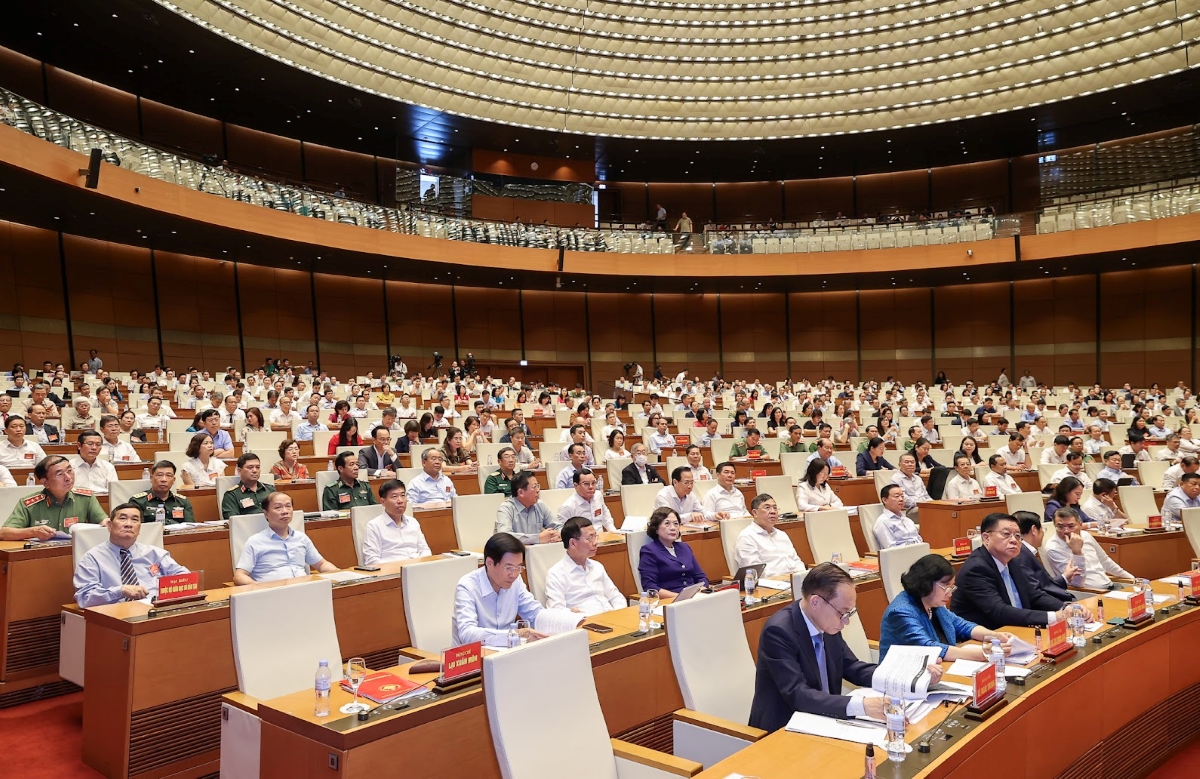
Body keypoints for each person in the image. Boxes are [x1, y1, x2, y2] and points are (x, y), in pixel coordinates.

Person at [751, 564, 929, 731]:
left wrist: (911, 678)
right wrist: (863, 706)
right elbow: (798, 694)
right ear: (815, 602)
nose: (847, 621)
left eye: (849, 613)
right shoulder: (779, 632)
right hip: (783, 729)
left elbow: (852, 667)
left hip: (825, 720)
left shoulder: (826, 621)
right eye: (843, 613)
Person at [949, 512, 1087, 629]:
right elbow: (1000, 611)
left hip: (1018, 630)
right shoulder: (976, 569)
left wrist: (1066, 608)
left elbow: (1034, 595)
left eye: (1017, 536)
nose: (1014, 540)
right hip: (986, 638)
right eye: (1006, 534)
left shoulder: (1013, 561)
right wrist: (1055, 617)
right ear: (986, 538)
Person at [878, 554, 1015, 661]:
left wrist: (994, 636)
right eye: (946, 586)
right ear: (926, 582)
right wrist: (983, 653)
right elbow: (930, 648)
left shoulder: (933, 603)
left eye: (952, 587)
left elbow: (961, 625)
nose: (950, 593)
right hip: (901, 680)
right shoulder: (900, 612)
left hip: (936, 670)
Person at [73, 503, 190, 607]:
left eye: (135, 520)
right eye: (123, 518)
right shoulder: (92, 558)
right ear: (109, 525)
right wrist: (120, 591)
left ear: (139, 528)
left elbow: (185, 578)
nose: (129, 524)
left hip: (156, 611)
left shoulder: (155, 554)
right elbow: (85, 597)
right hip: (116, 616)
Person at [452, 532, 549, 647]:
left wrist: (564, 621)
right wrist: (513, 635)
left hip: (508, 653)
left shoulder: (516, 581)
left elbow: (534, 612)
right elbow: (467, 633)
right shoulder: (467, 586)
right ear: (489, 563)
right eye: (508, 568)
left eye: (518, 567)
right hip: (474, 655)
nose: (514, 574)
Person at [233, 492, 339, 583]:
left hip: (304, 589)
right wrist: (259, 588)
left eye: (288, 506)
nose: (285, 511)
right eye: (278, 507)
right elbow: (239, 576)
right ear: (266, 514)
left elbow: (321, 564)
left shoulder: (301, 538)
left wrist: (340, 575)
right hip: (273, 593)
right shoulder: (255, 541)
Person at [1, 454, 108, 540]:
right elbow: (4, 533)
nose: (68, 478)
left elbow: (103, 521)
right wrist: (33, 532)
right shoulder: (29, 504)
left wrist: (107, 523)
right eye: (59, 474)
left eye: (69, 471)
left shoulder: (85, 497)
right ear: (45, 482)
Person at [544, 516, 627, 615]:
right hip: (585, 621)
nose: (595, 542)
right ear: (573, 543)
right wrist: (575, 615)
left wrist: (616, 613)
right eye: (590, 538)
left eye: (595, 536)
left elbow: (616, 597)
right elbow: (556, 610)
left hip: (611, 617)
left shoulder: (597, 566)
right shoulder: (556, 574)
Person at [1043, 506, 1132, 590]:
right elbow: (1077, 583)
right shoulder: (1053, 548)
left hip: (1110, 586)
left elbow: (1106, 562)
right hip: (1091, 593)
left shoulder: (1086, 535)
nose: (1066, 531)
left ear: (1080, 525)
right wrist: (1077, 553)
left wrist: (1132, 579)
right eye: (1060, 527)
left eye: (1071, 526)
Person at [638, 507, 707, 597]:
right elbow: (649, 587)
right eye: (667, 523)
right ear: (656, 528)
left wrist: (701, 591)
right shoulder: (649, 551)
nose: (673, 528)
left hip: (695, 597)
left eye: (676, 524)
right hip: (670, 600)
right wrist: (679, 597)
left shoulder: (684, 547)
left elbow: (701, 577)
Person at [361, 479, 431, 564]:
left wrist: (420, 564)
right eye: (394, 496)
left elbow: (425, 550)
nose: (400, 501)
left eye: (403, 495)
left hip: (416, 567)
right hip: (392, 570)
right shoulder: (374, 526)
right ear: (383, 501)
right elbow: (372, 561)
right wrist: (400, 567)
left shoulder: (413, 522)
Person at [734, 494, 805, 577]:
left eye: (775, 508)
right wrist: (783, 578)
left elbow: (796, 560)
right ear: (755, 513)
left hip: (794, 579)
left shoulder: (782, 534)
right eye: (767, 508)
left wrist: (801, 575)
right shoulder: (747, 537)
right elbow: (755, 572)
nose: (773, 511)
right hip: (771, 582)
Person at [1012, 510, 1076, 603]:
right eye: (1042, 529)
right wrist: (1065, 607)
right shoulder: (1021, 555)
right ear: (1034, 530)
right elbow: (1035, 593)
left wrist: (1064, 577)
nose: (1043, 533)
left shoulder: (1025, 552)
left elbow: (1041, 584)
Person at [495, 470, 560, 544]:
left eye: (538, 486)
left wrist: (559, 534)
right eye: (534, 487)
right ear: (521, 492)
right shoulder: (505, 508)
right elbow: (504, 537)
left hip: (537, 550)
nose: (538, 490)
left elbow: (559, 526)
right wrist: (537, 538)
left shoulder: (540, 505)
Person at [129, 460, 195, 525]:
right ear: (151, 478)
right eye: (159, 475)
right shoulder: (138, 501)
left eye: (168, 476)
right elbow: (137, 527)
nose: (164, 479)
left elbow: (190, 526)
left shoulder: (183, 502)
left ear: (173, 480)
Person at [221, 453, 275, 520]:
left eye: (257, 467)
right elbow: (233, 521)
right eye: (250, 467)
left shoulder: (270, 490)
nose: (255, 471)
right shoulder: (232, 495)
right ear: (239, 471)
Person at [69, 430, 118, 495]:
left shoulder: (108, 467)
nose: (94, 448)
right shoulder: (69, 466)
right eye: (90, 444)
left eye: (98, 444)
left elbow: (114, 491)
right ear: (79, 445)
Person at [890, 452, 929, 521]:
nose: (910, 464)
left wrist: (933, 504)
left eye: (912, 462)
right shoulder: (896, 478)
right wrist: (921, 504)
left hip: (923, 506)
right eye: (907, 462)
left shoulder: (918, 478)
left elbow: (926, 495)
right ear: (899, 465)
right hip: (909, 510)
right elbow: (902, 498)